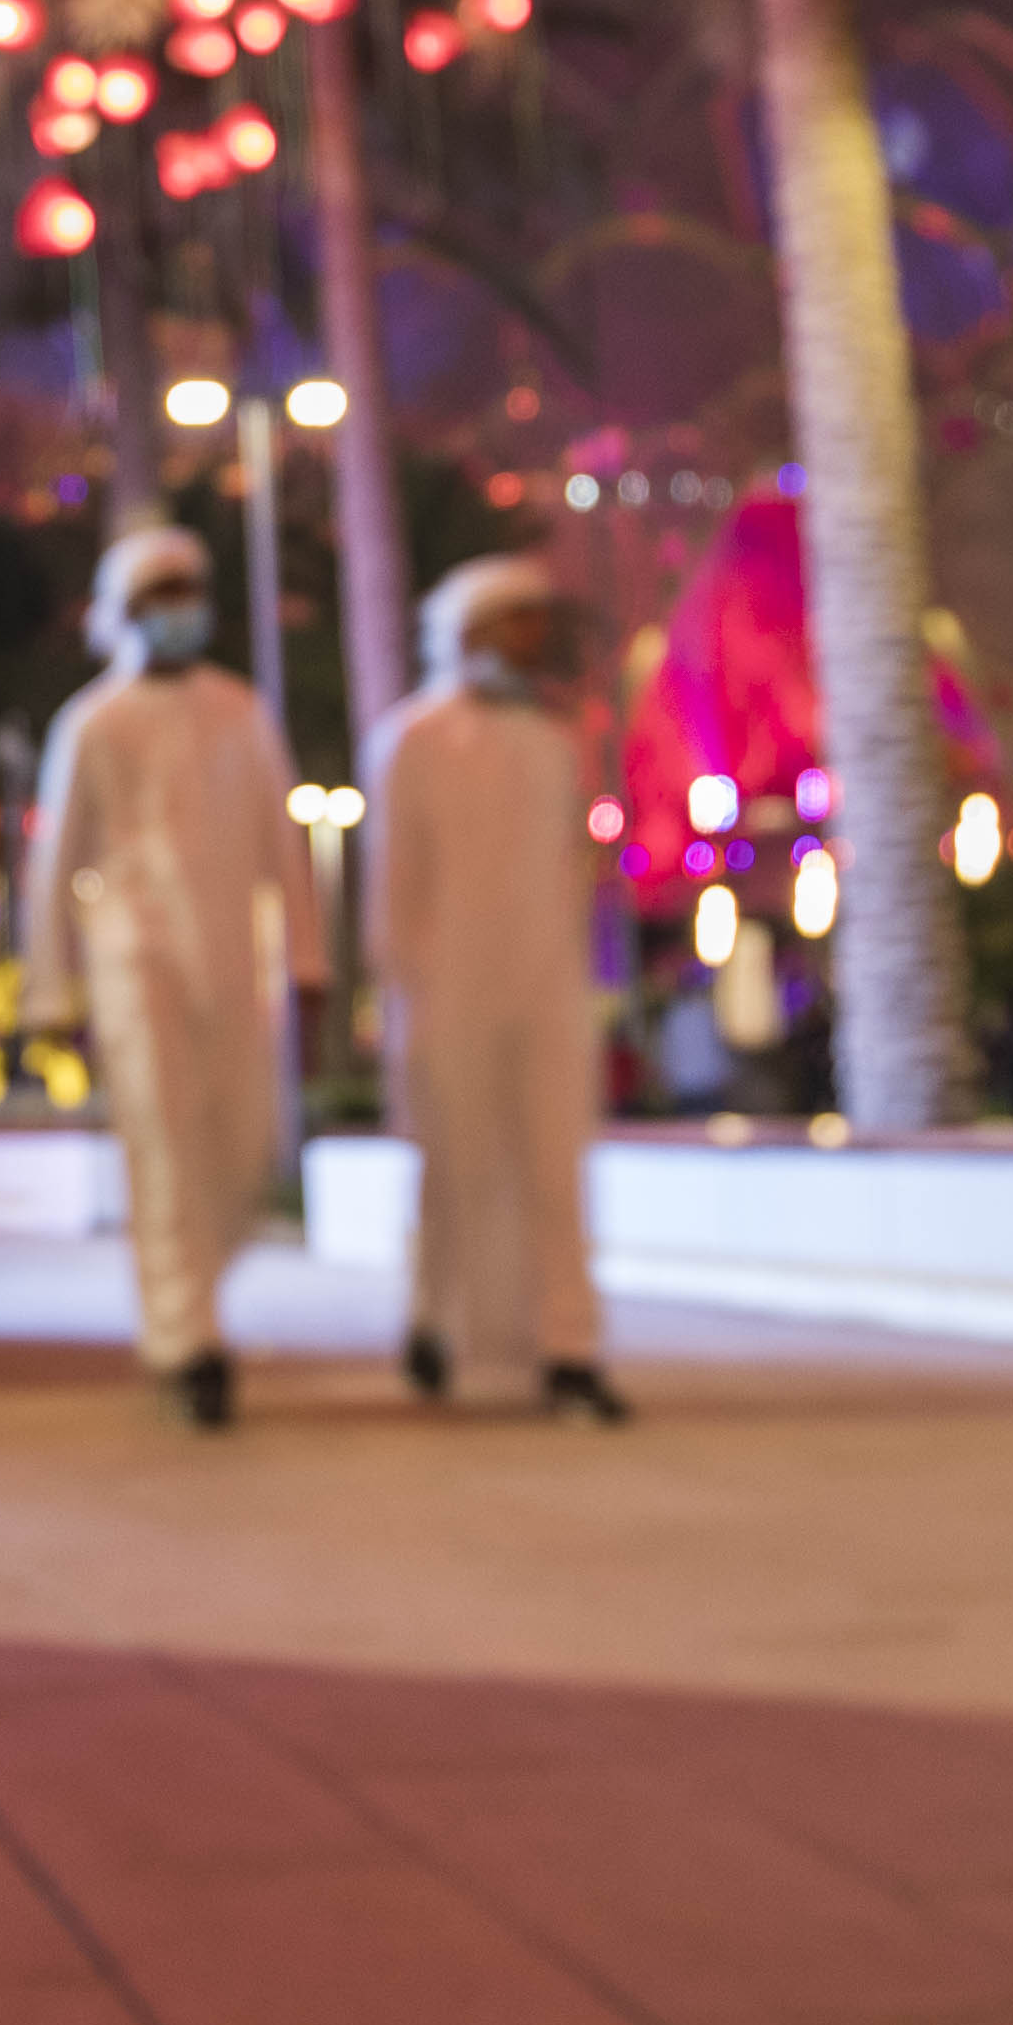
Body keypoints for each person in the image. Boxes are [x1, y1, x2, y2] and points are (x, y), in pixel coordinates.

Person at [19, 525, 301, 1427]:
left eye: (190, 590)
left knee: (237, 1143)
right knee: (166, 1144)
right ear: (124, 614)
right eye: (161, 595)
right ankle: (189, 1341)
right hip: (133, 960)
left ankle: (198, 1306)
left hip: (229, 956)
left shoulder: (242, 711)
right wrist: (50, 990)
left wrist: (311, 958)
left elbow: (283, 845)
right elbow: (55, 864)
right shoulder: (93, 723)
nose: (181, 611)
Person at [361, 556, 630, 1426]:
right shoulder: (413, 740)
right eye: (510, 623)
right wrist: (405, 990)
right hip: (449, 993)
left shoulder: (555, 744)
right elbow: (394, 883)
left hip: (547, 988)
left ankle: (569, 1348)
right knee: (454, 1164)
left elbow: (571, 874)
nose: (528, 641)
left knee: (557, 1169)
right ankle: (434, 1320)